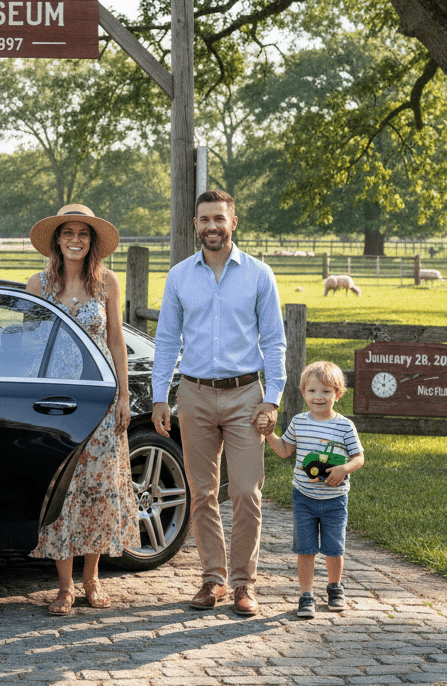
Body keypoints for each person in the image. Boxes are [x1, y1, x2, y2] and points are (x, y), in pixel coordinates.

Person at [150, 189, 285, 617]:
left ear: (233, 222)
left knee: (247, 492)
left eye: (219, 219)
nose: (212, 226)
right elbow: (167, 340)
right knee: (202, 492)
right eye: (204, 219)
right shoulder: (179, 276)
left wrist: (274, 400)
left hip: (247, 395)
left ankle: (245, 584)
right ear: (195, 224)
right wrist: (159, 397)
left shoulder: (260, 275)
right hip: (195, 395)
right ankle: (213, 579)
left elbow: (276, 342)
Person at [26, 204, 139, 616]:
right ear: (57, 239)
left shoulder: (107, 281)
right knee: (61, 489)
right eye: (68, 232)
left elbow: (115, 342)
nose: (75, 240)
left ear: (92, 242)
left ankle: (92, 577)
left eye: (83, 234)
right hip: (55, 403)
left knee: (98, 489)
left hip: (99, 399)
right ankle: (64, 586)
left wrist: (123, 396)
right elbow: (32, 345)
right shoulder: (37, 284)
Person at [264, 360, 365, 618]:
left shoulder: (344, 426)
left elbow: (358, 458)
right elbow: (286, 450)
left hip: (334, 500)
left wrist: (344, 469)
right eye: (312, 391)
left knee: (334, 548)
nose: (318, 397)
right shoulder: (299, 422)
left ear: (338, 394)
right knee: (305, 549)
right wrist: (268, 434)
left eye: (326, 391)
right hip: (304, 498)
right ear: (303, 393)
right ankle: (306, 595)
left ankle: (334, 587)